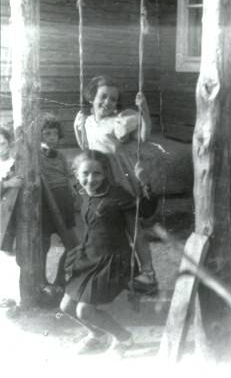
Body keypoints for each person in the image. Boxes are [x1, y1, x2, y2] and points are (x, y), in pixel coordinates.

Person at [73, 75, 164, 288]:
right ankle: (107, 270)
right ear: (90, 98)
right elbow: (85, 147)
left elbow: (143, 136)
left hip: (118, 181)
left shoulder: (119, 121)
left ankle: (148, 273)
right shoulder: (86, 120)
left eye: (113, 99)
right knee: (104, 229)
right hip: (98, 182)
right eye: (103, 97)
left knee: (133, 228)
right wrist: (76, 129)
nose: (108, 102)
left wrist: (145, 111)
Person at [61, 150, 150, 354]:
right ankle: (97, 336)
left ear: (106, 174)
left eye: (97, 174)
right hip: (90, 257)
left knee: (85, 310)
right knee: (66, 307)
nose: (90, 179)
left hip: (112, 260)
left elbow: (138, 235)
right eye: (85, 173)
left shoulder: (119, 197)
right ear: (76, 174)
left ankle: (124, 339)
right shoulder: (83, 193)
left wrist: (147, 268)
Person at [40, 113, 79, 291]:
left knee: (73, 245)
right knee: (43, 244)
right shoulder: (36, 157)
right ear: (40, 136)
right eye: (47, 134)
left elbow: (69, 177)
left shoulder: (61, 156)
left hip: (64, 204)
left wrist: (73, 189)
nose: (51, 138)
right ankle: (41, 281)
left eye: (54, 134)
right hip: (46, 205)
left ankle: (60, 280)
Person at [0, 126, 22, 309]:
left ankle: (13, 295)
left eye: (2, 144)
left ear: (9, 144)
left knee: (11, 255)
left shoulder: (16, 163)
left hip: (11, 215)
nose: (0, 148)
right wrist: (7, 183)